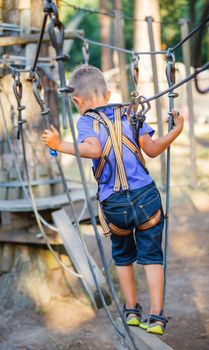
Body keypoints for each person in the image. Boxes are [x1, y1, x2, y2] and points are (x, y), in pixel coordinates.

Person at [42, 64, 184, 335]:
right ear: (108, 94)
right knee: (152, 255)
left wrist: (59, 145)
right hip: (146, 198)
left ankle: (131, 310)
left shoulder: (85, 121)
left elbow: (93, 149)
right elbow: (152, 149)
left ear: (76, 101)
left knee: (122, 255)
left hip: (114, 204)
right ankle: (156, 316)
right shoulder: (131, 111)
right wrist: (175, 130)